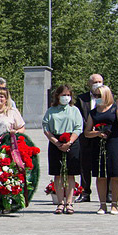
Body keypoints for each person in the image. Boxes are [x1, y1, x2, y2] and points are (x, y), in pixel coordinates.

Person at [83, 85, 118, 215]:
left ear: (106, 95)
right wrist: (96, 133)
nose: (97, 98)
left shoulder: (114, 108)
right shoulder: (93, 112)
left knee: (116, 175)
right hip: (98, 144)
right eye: (95, 96)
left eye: (99, 96)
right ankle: (102, 205)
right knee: (100, 175)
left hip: (115, 142)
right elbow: (87, 132)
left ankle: (115, 204)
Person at [43, 85, 83, 214]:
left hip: (71, 141)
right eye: (63, 95)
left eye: (68, 95)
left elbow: (78, 127)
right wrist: (56, 142)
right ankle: (60, 202)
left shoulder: (74, 110)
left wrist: (69, 142)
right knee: (58, 174)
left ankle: (70, 202)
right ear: (57, 96)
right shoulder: (51, 110)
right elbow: (46, 127)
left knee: (70, 174)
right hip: (56, 141)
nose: (66, 97)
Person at [75, 73, 104, 203]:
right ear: (89, 84)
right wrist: (88, 127)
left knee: (103, 164)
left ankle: (107, 193)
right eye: (94, 82)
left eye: (99, 81)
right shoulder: (82, 99)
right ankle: (85, 192)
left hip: (102, 136)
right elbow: (78, 115)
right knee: (84, 165)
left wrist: (100, 129)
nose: (97, 84)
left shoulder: (107, 97)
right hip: (85, 136)